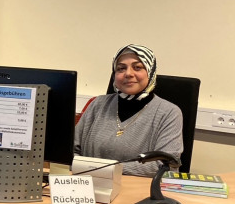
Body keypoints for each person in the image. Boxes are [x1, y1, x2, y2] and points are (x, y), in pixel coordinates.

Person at [75, 44, 183, 177]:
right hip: (89, 186)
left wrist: (101, 169)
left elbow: (165, 164)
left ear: (150, 72)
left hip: (140, 191)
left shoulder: (169, 113)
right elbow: (71, 150)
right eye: (121, 69)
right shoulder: (98, 104)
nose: (128, 74)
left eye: (137, 67)